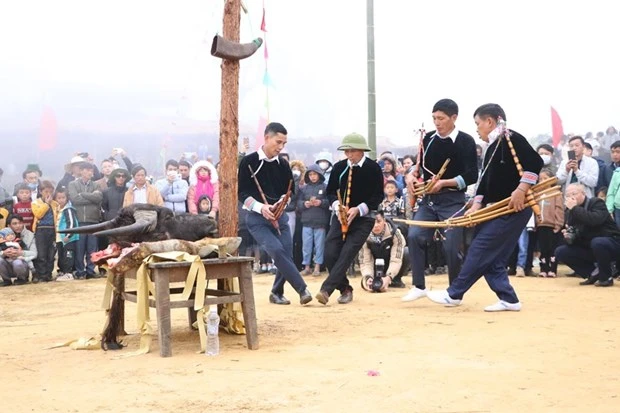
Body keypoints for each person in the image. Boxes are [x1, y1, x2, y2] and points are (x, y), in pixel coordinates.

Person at [421, 103, 543, 311]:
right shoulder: (492, 146)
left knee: (480, 248)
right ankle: (509, 299)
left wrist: (521, 189)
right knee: (492, 256)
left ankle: (454, 293)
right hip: (494, 207)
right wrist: (477, 203)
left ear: (490, 121)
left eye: (478, 124)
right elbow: (484, 181)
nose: (477, 129)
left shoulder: (511, 138)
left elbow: (535, 163)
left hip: (512, 208)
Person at [402, 99, 478, 303]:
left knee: (451, 246)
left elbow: (472, 175)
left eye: (441, 118)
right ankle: (419, 285)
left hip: (453, 200)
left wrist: (445, 183)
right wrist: (410, 176)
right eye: (434, 118)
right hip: (429, 200)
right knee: (415, 235)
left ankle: (455, 292)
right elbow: (419, 167)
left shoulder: (466, 141)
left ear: (454, 118)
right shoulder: (427, 139)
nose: (437, 122)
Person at [237, 122, 313, 305]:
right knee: (277, 251)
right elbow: (242, 193)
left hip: (280, 216)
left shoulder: (284, 164)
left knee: (286, 252)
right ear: (267, 138)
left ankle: (276, 292)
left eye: (284, 144)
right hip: (257, 218)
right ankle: (302, 289)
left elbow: (290, 191)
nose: (281, 147)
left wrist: (281, 203)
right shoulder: (248, 162)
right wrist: (260, 207)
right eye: (278, 142)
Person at [315, 133, 384, 305]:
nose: (349, 154)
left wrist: (359, 209)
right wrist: (338, 206)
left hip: (364, 218)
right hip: (340, 216)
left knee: (347, 253)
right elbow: (331, 192)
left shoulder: (373, 168)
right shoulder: (339, 168)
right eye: (346, 151)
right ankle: (345, 288)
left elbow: (378, 196)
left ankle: (326, 290)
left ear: (362, 151)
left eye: (352, 151)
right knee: (330, 253)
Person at [556, 183, 620, 287]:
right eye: (567, 195)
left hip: (612, 243)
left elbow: (593, 220)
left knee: (598, 242)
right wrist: (569, 235)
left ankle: (606, 278)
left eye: (574, 193)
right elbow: (577, 234)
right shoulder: (570, 212)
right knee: (561, 251)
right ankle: (593, 273)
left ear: (583, 193)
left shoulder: (596, 203)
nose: (571, 197)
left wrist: (574, 209)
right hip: (591, 246)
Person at [360, 212, 409, 291]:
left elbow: (396, 259)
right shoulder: (364, 236)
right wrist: (368, 277)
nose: (376, 225)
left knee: (406, 252)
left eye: (378, 221)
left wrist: (389, 277)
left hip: (391, 263)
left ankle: (396, 279)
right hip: (375, 266)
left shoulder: (395, 233)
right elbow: (366, 261)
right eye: (373, 222)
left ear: (384, 221)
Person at [0, 214, 37, 286]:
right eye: (14, 224)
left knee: (17, 262)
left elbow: (34, 253)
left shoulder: (30, 235)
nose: (18, 226)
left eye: (20, 223)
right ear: (9, 226)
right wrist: (3, 253)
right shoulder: (1, 237)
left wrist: (21, 253)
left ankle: (22, 279)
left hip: (22, 265)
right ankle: (6, 280)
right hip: (7, 264)